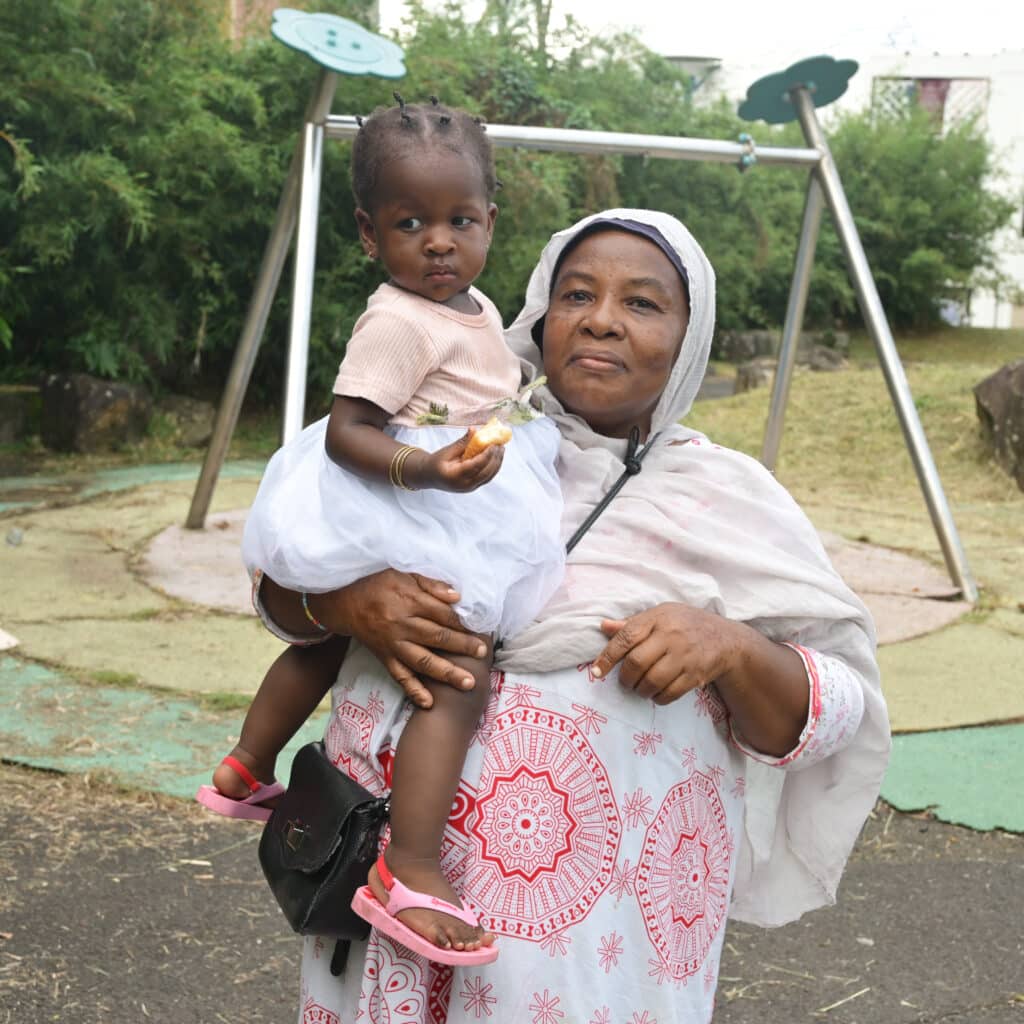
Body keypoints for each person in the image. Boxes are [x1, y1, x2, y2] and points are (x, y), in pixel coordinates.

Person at [252, 208, 891, 1023]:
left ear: (690, 338)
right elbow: (281, 585)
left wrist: (730, 647)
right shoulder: (445, 442)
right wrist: (348, 603)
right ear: (540, 316)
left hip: (590, 951)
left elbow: (837, 712)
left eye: (642, 303)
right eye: (578, 295)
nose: (601, 320)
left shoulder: (726, 501)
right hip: (375, 896)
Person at [196, 97, 566, 960]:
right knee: (457, 666)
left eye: (458, 220)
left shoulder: (474, 306)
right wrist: (427, 469)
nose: (438, 242)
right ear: (369, 234)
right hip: (401, 490)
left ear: (490, 222)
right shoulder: (399, 319)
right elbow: (348, 429)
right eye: (410, 223)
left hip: (440, 491)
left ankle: (247, 764)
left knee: (335, 642)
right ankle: (411, 865)